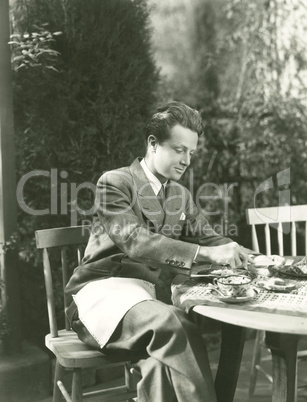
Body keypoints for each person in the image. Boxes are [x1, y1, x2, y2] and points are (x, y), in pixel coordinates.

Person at [65, 101, 252, 401]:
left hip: (145, 301)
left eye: (191, 152)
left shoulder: (179, 195)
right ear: (153, 143)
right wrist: (206, 255)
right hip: (101, 296)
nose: (186, 160)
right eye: (179, 150)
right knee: (175, 322)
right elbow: (136, 241)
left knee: (158, 367)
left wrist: (252, 257)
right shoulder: (115, 182)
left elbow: (211, 239)